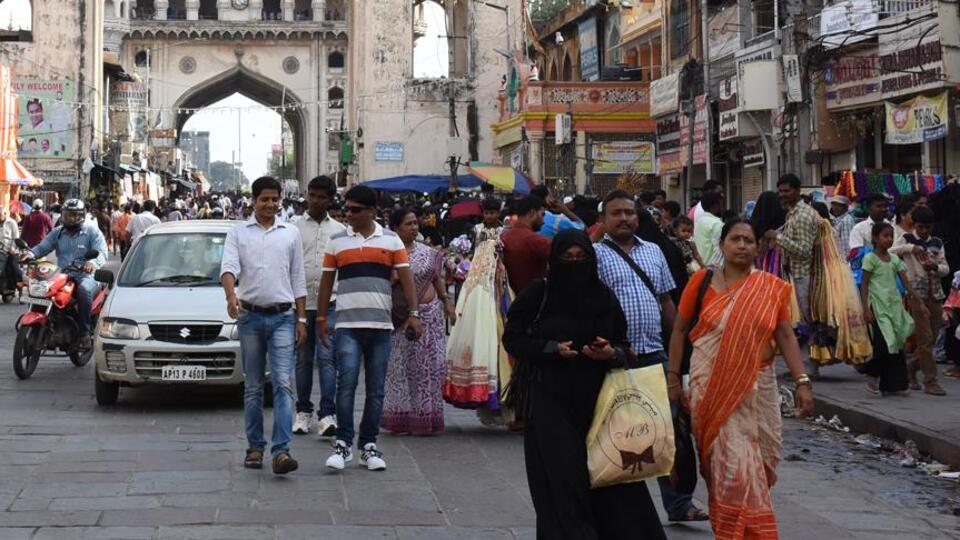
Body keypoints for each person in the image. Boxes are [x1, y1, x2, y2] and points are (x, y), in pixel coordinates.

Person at [502, 229, 667, 540]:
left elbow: (623, 345)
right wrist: (550, 349)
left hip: (601, 401)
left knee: (611, 478)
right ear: (555, 261)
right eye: (567, 258)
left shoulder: (604, 297)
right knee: (564, 479)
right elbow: (513, 339)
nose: (574, 265)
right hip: (550, 400)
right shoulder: (538, 295)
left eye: (581, 258)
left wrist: (610, 352)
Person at [667, 218, 815, 539]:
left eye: (749, 240)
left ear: (757, 247)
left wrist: (802, 380)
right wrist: (673, 378)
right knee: (732, 468)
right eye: (735, 239)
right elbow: (679, 331)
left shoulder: (770, 287)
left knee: (758, 465)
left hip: (759, 388)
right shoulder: (702, 281)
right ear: (722, 245)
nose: (742, 246)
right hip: (713, 387)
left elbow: (785, 335)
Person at [593, 190, 708, 523]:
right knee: (619, 433)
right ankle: (616, 509)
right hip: (615, 357)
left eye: (629, 213)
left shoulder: (654, 251)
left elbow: (667, 301)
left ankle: (679, 503)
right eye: (616, 213)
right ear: (603, 220)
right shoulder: (594, 255)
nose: (624, 218)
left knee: (667, 430)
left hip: (654, 353)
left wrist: (681, 346)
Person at [317, 185, 423, 472]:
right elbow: (326, 282)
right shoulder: (336, 241)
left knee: (375, 390)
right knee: (346, 385)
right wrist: (321, 319)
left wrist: (414, 314)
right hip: (347, 325)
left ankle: (368, 445)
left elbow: (407, 280)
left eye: (355, 210)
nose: (348, 214)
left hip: (380, 327)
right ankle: (343, 444)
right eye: (347, 209)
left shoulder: (391, 240)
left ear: (371, 211)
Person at [220, 177, 307, 475]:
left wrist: (302, 319)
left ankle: (281, 451)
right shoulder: (238, 232)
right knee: (254, 386)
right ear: (254, 201)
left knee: (283, 383)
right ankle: (255, 447)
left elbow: (298, 278)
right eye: (264, 199)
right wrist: (231, 296)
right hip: (250, 318)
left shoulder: (290, 233)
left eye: (274, 199)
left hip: (283, 317)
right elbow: (228, 268)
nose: (270, 204)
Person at [383, 209, 456, 435]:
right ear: (396, 228)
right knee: (401, 366)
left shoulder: (428, 252)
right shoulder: (387, 253)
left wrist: (446, 301)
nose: (414, 227)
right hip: (401, 317)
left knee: (429, 367)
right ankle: (401, 420)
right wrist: (391, 277)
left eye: (415, 223)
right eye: (408, 224)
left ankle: (426, 417)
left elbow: (436, 279)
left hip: (431, 316)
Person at [292, 176, 346, 437]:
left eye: (321, 197)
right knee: (303, 359)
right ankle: (303, 412)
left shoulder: (340, 230)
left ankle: (327, 414)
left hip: (330, 303)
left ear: (330, 199)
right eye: (311, 195)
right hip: (300, 305)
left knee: (327, 359)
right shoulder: (292, 228)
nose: (315, 201)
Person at [24, 200, 108, 349]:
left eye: (75, 215)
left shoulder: (92, 231)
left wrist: (92, 263)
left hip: (86, 274)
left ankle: (84, 332)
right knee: (42, 288)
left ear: (82, 216)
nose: (71, 218)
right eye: (68, 215)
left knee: (83, 290)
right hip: (62, 273)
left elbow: (102, 252)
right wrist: (30, 254)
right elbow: (43, 247)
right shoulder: (58, 232)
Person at [767, 174, 821, 375]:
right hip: (796, 273)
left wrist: (778, 238)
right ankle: (803, 367)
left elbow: (804, 250)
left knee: (809, 321)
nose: (783, 194)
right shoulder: (792, 213)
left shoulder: (803, 215)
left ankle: (810, 366)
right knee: (803, 323)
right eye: (780, 191)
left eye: (787, 191)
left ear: (797, 191)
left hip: (805, 274)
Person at [861, 222, 919, 396]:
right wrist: (865, 308)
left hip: (894, 305)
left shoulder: (894, 259)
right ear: (875, 238)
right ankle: (872, 372)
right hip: (878, 305)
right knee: (886, 343)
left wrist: (917, 300)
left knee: (897, 344)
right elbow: (865, 284)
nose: (889, 239)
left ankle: (894, 385)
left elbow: (906, 283)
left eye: (891, 236)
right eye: (885, 236)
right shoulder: (870, 259)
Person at [898, 206, 948, 396]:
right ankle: (930, 381)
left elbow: (945, 268)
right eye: (921, 227)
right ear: (914, 225)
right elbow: (890, 250)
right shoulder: (906, 239)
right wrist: (910, 248)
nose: (924, 231)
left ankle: (912, 366)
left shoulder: (937, 243)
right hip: (916, 295)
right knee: (925, 338)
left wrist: (935, 267)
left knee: (932, 338)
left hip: (935, 294)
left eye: (928, 227)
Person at [501, 195, 551, 294]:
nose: (543, 221)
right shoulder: (538, 241)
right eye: (542, 215)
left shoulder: (503, 236)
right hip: (533, 299)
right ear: (532, 213)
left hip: (508, 299)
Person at [693, 191, 724, 267]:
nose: (723, 208)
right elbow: (719, 251)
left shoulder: (699, 221)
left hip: (699, 266)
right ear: (715, 206)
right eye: (721, 204)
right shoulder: (717, 224)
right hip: (711, 268)